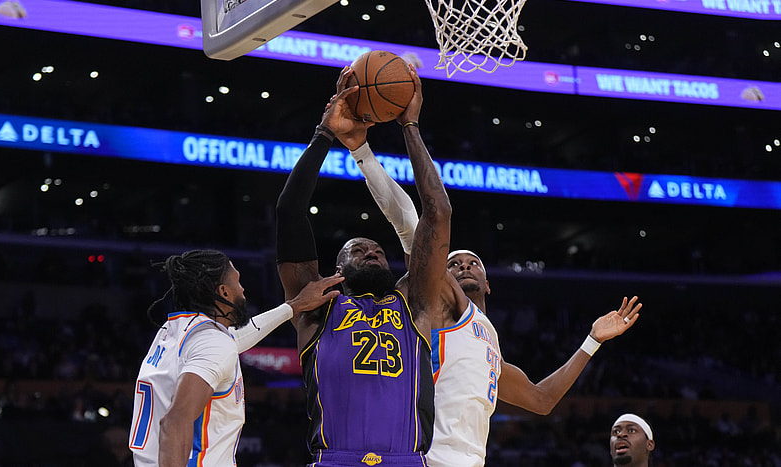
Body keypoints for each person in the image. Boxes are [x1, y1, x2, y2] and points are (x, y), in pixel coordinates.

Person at [344, 133, 643, 467]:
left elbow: (541, 399)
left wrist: (592, 340)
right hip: (426, 457)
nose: (463, 266)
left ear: (488, 284)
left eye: (473, 263)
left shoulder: (487, 341)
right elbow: (410, 224)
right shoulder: (439, 302)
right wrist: (363, 152)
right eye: (453, 263)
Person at [275, 65, 462, 466]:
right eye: (357, 250)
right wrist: (324, 134)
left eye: (377, 249)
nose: (372, 252)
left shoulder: (414, 302)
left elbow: (438, 212)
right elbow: (290, 212)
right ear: (336, 270)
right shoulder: (317, 309)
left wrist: (409, 126)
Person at [128, 249, 344, 467]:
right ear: (224, 292)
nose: (242, 289)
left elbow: (235, 339)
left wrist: (294, 306)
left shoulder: (172, 332)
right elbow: (175, 421)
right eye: (238, 281)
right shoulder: (213, 342)